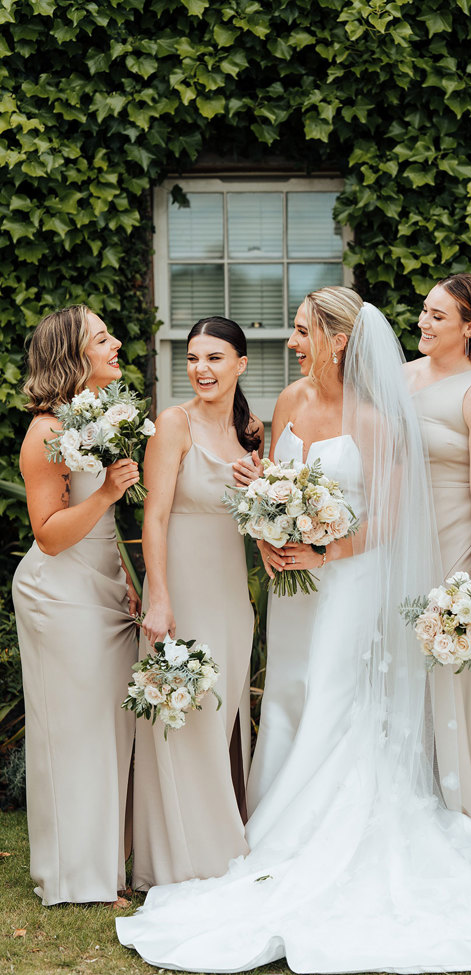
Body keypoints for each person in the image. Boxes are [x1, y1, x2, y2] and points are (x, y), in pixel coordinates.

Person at [117, 287, 471, 974]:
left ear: (339, 339)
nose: (292, 342)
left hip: (347, 583)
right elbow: (272, 486)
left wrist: (323, 551)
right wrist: (267, 534)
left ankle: (313, 837)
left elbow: (391, 520)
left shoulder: (379, 418)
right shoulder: (286, 402)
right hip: (290, 586)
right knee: (286, 692)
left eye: (302, 331)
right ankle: (267, 835)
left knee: (332, 697)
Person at [12, 306, 139, 905]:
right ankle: (72, 877)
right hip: (58, 593)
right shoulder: (46, 431)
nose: (116, 344)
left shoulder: (98, 415)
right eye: (101, 338)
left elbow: (103, 521)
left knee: (108, 727)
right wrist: (111, 488)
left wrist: (129, 578)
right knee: (74, 732)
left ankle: (107, 866)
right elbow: (50, 533)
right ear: (73, 356)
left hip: (103, 588)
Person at [131, 316, 262, 890]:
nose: (201, 369)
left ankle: (221, 844)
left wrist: (260, 486)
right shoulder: (172, 424)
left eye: (214, 357)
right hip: (180, 589)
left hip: (232, 594)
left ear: (240, 364)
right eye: (192, 359)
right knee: (181, 717)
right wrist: (159, 598)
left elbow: (261, 528)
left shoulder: (251, 436)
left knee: (220, 717)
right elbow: (152, 517)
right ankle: (180, 859)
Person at [405, 274, 471, 830]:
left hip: (453, 559)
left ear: (470, 328)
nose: (423, 322)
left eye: (438, 316)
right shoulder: (399, 379)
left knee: (452, 686)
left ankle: (463, 819)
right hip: (397, 552)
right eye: (424, 311)